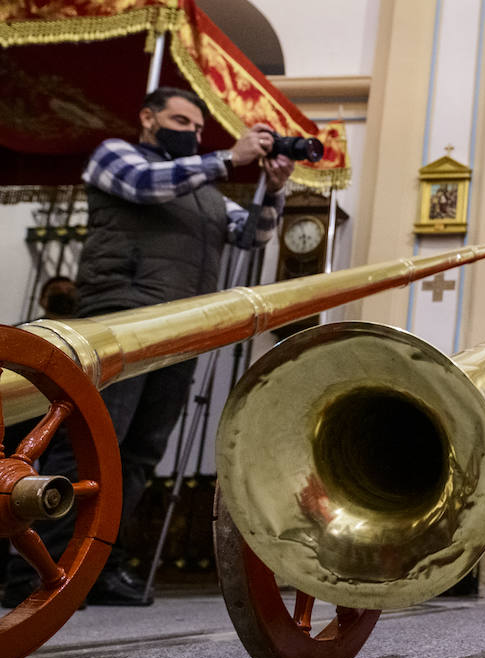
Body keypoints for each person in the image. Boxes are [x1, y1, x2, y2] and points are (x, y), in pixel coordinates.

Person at [3, 86, 293, 608]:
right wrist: (228, 157)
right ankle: (36, 567)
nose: (193, 133)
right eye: (182, 120)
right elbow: (144, 185)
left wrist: (272, 192)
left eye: (200, 129)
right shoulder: (117, 155)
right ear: (148, 118)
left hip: (177, 332)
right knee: (93, 443)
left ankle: (99, 563)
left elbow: (250, 234)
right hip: (117, 322)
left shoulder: (204, 187)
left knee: (139, 453)